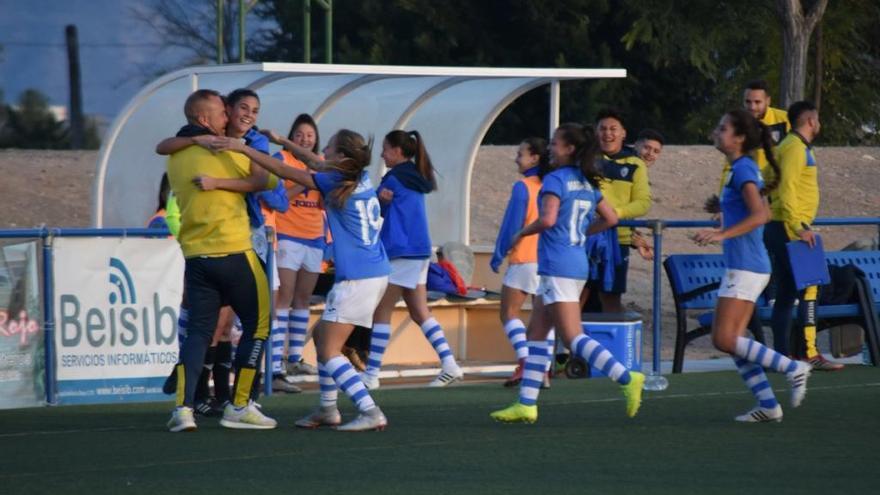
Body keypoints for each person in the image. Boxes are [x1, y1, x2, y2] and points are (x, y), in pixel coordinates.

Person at [207, 128, 390, 431]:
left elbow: (284, 170)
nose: (322, 152)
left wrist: (244, 149)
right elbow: (315, 163)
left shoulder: (336, 180)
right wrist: (283, 142)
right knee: (321, 338)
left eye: (328, 147)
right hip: (372, 272)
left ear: (341, 156)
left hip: (358, 278)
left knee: (330, 349)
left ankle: (369, 410)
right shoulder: (359, 176)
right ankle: (327, 410)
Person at [490, 123, 645, 424]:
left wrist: (521, 232)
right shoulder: (587, 183)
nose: (550, 148)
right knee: (537, 332)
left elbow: (547, 220)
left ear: (570, 149)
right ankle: (526, 403)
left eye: (555, 144)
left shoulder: (556, 179)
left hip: (557, 266)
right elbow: (611, 218)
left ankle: (627, 378)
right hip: (574, 263)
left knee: (573, 337)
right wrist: (582, 233)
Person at [159, 88, 300, 395]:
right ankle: (204, 390)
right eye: (241, 108)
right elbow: (163, 145)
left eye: (255, 110)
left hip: (247, 235)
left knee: (235, 323)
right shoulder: (204, 140)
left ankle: (240, 395)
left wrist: (217, 182)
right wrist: (197, 140)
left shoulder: (252, 144)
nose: (248, 115)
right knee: (213, 323)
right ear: (226, 111)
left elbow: (266, 184)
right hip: (211, 241)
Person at [693, 109, 812, 423]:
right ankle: (769, 405)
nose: (717, 132)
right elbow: (747, 208)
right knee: (734, 341)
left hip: (747, 266)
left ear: (739, 138)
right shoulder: (739, 168)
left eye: (723, 128)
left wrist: (720, 232)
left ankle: (793, 367)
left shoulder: (744, 167)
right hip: (746, 265)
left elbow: (762, 215)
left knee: (724, 339)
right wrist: (721, 210)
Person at [360, 130, 464, 389]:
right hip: (419, 251)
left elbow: (370, 208)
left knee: (381, 311)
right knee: (420, 312)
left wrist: (379, 201)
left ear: (397, 151)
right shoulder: (415, 177)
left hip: (401, 252)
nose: (382, 154)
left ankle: (372, 374)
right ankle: (450, 364)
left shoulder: (394, 179)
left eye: (385, 149)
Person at [764, 101, 841, 370]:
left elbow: (769, 180)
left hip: (780, 225)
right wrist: (799, 226)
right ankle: (809, 353)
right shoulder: (795, 148)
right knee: (811, 284)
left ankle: (783, 356)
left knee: (786, 294)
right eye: (817, 120)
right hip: (789, 227)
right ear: (810, 121)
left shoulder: (787, 147)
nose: (819, 124)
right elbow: (785, 189)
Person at [489, 138, 555, 387]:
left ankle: (527, 362)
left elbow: (512, 224)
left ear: (535, 157)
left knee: (508, 313)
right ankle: (544, 369)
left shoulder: (524, 186)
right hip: (549, 260)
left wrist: (499, 252)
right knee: (545, 318)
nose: (517, 158)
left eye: (520, 153)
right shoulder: (553, 184)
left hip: (525, 258)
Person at [267, 114, 324, 380]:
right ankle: (276, 362)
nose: (305, 139)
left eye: (309, 135)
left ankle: (295, 357)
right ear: (291, 137)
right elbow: (277, 199)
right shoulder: (282, 159)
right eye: (299, 135)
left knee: (303, 299)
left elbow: (325, 204)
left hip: (314, 238)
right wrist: (303, 181)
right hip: (288, 235)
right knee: (284, 298)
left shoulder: (322, 163)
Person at [592, 109, 652, 312]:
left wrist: (614, 214)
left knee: (610, 297)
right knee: (578, 296)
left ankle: (612, 341)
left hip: (618, 240)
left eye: (613, 129)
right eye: (602, 128)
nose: (607, 133)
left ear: (623, 133)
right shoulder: (587, 160)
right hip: (586, 237)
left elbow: (643, 202)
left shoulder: (635, 164)